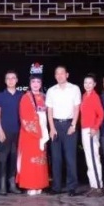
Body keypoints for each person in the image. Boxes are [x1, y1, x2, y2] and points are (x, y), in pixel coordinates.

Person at [46, 65, 81, 196]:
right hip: (55, 125)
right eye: (57, 73)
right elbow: (49, 110)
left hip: (69, 125)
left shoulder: (74, 89)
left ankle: (72, 187)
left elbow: (76, 108)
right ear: (55, 76)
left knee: (70, 158)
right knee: (56, 158)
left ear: (67, 75)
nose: (60, 75)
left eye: (62, 73)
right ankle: (56, 187)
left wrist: (73, 125)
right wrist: (51, 128)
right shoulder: (51, 91)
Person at [17, 63, 50, 195]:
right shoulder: (25, 97)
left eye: (38, 82)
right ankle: (30, 185)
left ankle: (40, 184)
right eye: (33, 82)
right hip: (29, 133)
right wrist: (38, 131)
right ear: (30, 83)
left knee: (40, 159)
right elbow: (25, 117)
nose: (36, 84)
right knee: (30, 159)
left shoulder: (45, 97)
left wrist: (45, 130)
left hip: (43, 130)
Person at [0, 70, 23, 195]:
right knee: (2, 159)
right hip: (4, 132)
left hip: (18, 132)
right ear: (5, 81)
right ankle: (2, 186)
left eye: (13, 78)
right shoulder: (0, 96)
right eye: (8, 78)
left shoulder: (21, 96)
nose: (11, 80)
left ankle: (12, 185)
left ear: (17, 80)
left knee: (14, 159)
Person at [80, 73, 104, 196]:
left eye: (90, 83)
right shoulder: (84, 96)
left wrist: (95, 128)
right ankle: (93, 184)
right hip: (84, 129)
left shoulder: (95, 97)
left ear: (94, 84)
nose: (87, 85)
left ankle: (98, 186)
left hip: (91, 130)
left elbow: (101, 114)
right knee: (89, 158)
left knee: (94, 157)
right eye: (86, 83)